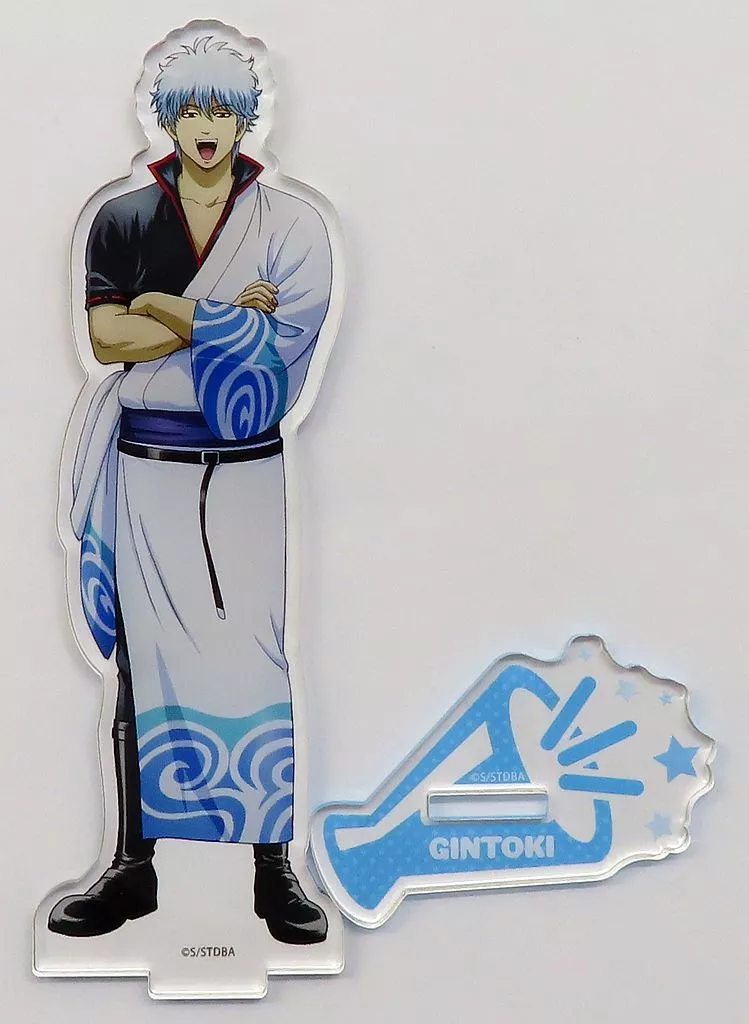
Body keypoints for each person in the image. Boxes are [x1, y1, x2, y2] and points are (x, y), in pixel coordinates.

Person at [48, 36, 334, 945]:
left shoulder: (291, 224)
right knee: (140, 664)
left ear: (245, 120)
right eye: (190, 110)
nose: (206, 127)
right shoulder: (125, 216)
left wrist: (166, 311)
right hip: (146, 463)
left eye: (222, 110)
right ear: (166, 120)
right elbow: (106, 340)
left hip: (246, 466)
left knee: (259, 657)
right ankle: (132, 867)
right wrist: (217, 318)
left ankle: (272, 868)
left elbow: (282, 346)